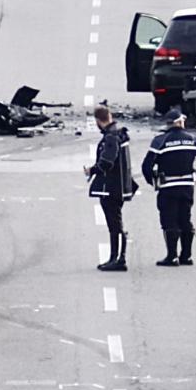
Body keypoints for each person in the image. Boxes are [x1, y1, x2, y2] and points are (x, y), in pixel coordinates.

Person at [141, 108, 196, 267]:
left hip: (168, 186)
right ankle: (186, 256)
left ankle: (172, 256)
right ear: (180, 122)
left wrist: (153, 181)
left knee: (169, 220)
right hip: (187, 186)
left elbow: (146, 166)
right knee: (185, 218)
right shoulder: (193, 139)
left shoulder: (160, 141)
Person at [85, 104, 136, 272]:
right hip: (119, 186)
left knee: (114, 224)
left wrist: (93, 170)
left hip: (111, 187)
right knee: (115, 222)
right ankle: (115, 257)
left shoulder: (111, 137)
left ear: (98, 121)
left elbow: (107, 162)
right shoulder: (118, 134)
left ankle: (118, 259)